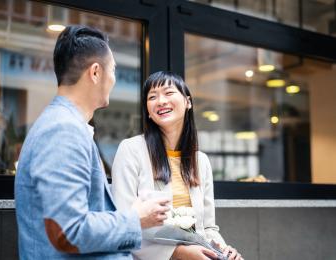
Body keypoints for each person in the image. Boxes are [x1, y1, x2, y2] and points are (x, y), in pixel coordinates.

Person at [14, 25, 170, 260]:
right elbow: (68, 232)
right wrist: (135, 217)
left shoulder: (66, 125)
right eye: (114, 70)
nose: (114, 79)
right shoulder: (62, 130)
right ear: (95, 73)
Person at [111, 71, 243, 260]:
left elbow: (207, 228)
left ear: (188, 102)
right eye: (152, 97)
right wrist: (177, 253)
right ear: (148, 111)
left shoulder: (201, 161)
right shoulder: (131, 150)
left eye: (168, 93)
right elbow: (123, 224)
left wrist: (224, 250)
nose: (161, 101)